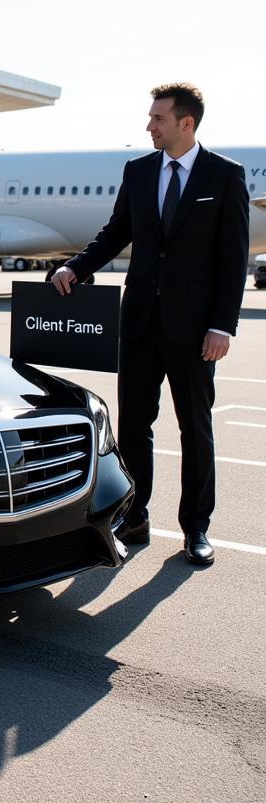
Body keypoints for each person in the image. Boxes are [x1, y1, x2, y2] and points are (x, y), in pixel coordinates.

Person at [51, 83, 250, 566]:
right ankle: (135, 514)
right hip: (139, 323)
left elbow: (233, 257)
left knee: (194, 431)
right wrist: (76, 267)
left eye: (158, 118)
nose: (149, 126)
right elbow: (117, 230)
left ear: (187, 122)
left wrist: (223, 326)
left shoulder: (224, 176)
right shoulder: (138, 172)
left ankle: (196, 528)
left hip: (196, 330)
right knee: (135, 426)